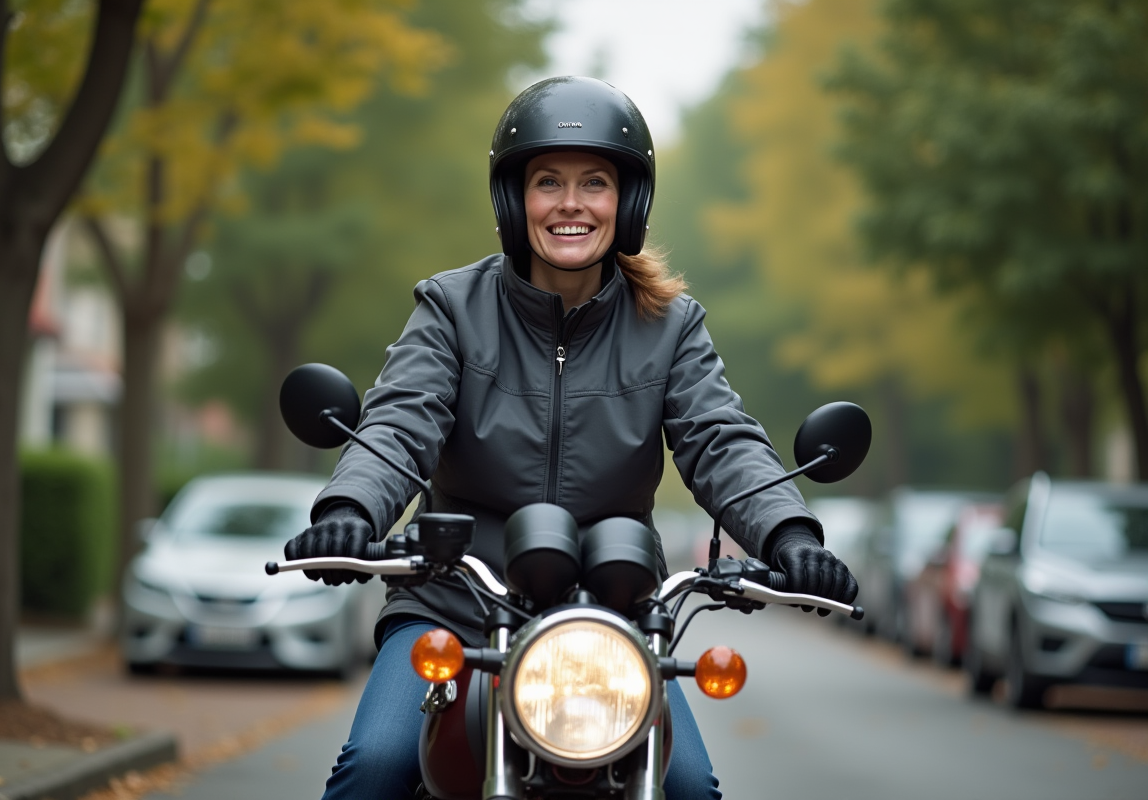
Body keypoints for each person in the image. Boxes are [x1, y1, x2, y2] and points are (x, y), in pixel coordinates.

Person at [285, 76, 858, 799]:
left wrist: (791, 537)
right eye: (547, 181)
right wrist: (350, 513)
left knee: (689, 789)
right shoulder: (452, 308)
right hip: (457, 605)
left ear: (629, 203)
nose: (570, 203)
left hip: (613, 621)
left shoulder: (670, 326)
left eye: (595, 182)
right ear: (512, 199)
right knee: (376, 767)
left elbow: (721, 441)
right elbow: (400, 422)